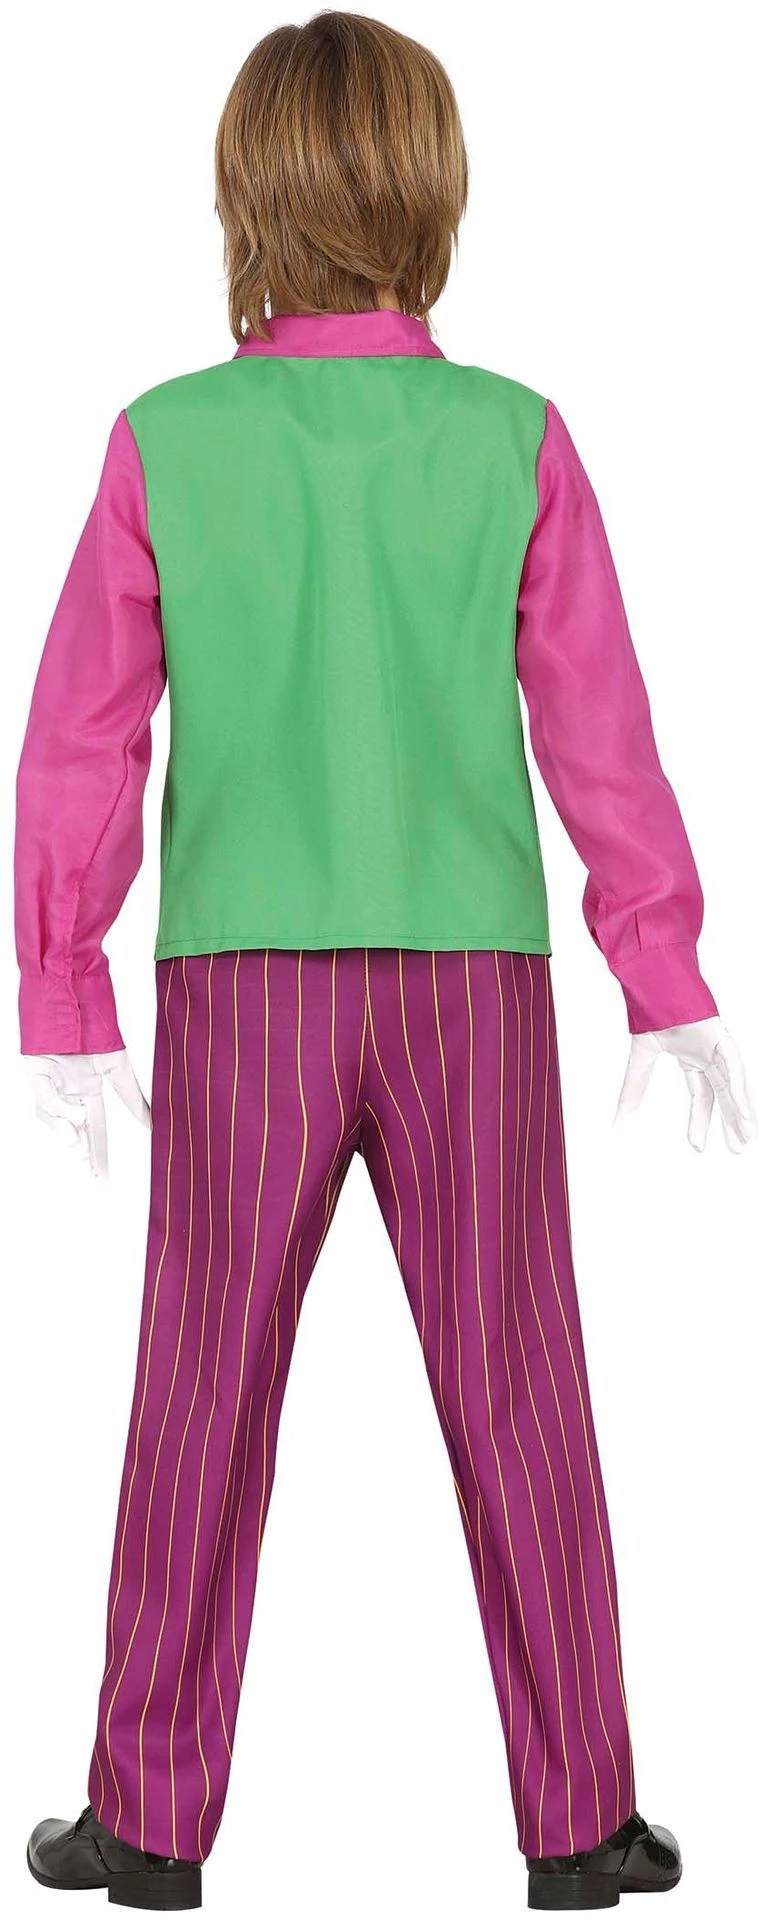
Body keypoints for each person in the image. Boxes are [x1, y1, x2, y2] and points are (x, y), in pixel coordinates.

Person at [16, 12, 755, 1913]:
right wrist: (660, 971)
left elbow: (84, 737)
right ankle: (582, 1822)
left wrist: (64, 985)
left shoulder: (167, 439)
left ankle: (147, 1822)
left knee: (199, 1384)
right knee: (522, 1383)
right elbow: (599, 724)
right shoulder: (512, 435)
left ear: (243, 191)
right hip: (469, 984)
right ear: (433, 187)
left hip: (246, 982)